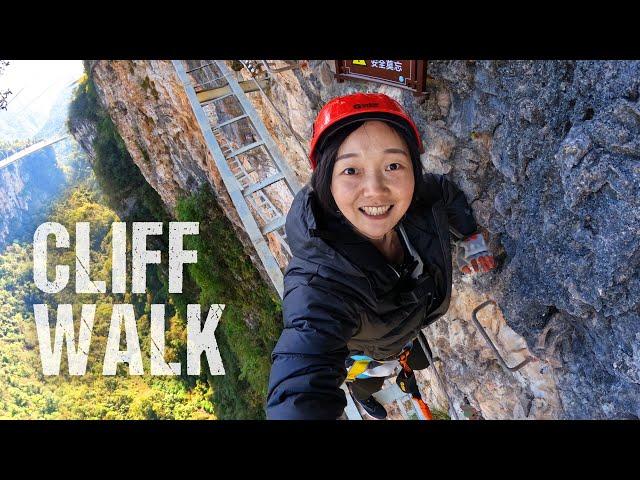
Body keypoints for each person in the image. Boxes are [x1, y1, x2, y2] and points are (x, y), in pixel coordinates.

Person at [266, 92, 495, 420]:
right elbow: (301, 372)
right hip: (365, 351)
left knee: (409, 363)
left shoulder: (418, 198)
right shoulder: (319, 282)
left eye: (392, 165)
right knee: (367, 380)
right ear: (325, 180)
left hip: (402, 333)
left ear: (412, 171)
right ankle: (367, 401)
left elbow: (444, 191)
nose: (375, 188)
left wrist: (471, 237)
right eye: (351, 170)